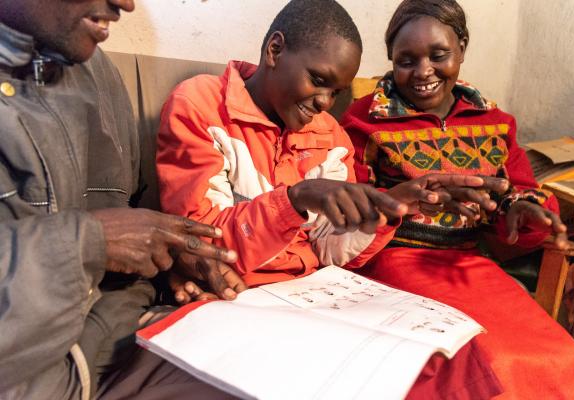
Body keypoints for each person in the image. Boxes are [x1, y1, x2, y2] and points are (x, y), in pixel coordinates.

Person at [156, 0, 507, 398]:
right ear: (275, 50)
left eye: (336, 91)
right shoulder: (202, 105)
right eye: (318, 80)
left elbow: (330, 252)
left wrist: (388, 206)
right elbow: (202, 244)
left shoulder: (328, 135)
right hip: (236, 299)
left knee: (451, 362)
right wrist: (296, 197)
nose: (326, 103)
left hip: (310, 299)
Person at [340, 0, 574, 398]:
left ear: (461, 48)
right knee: (488, 362)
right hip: (392, 266)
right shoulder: (364, 121)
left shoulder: (495, 123)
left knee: (568, 359)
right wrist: (405, 200)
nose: (423, 71)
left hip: (472, 267)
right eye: (406, 60)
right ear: (391, 58)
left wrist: (528, 213)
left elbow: (518, 194)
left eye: (438, 55)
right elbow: (349, 206)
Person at [0, 1, 241, 399]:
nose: (126, 3)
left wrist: (165, 259)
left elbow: (125, 215)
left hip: (118, 339)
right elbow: (96, 238)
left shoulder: (95, 71)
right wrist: (91, 243)